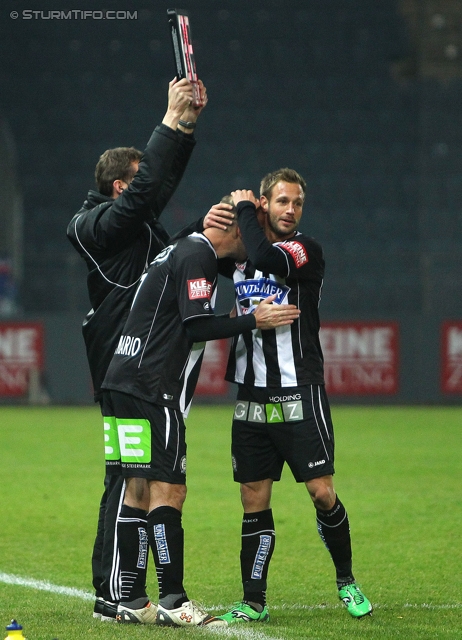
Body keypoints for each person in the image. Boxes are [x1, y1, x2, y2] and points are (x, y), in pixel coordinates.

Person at [66, 77, 230, 621]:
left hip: (138, 374)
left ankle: (119, 592)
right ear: (118, 186)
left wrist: (186, 128)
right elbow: (146, 195)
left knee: (130, 478)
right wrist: (169, 119)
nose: (149, 192)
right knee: (125, 478)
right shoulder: (93, 228)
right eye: (137, 184)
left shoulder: (139, 232)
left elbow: (153, 194)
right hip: (126, 374)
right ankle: (112, 594)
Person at [100, 212, 301, 626]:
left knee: (136, 487)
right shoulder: (199, 255)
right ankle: (173, 600)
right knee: (170, 491)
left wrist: (229, 319)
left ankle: (132, 601)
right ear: (232, 228)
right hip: (154, 387)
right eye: (251, 232)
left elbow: (183, 316)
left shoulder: (178, 249)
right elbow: (193, 326)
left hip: (122, 379)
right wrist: (251, 320)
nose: (254, 244)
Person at [210, 169, 373, 624]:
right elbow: (202, 245)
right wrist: (220, 214)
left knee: (322, 493)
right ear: (267, 204)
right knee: (252, 496)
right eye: (281, 201)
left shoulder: (303, 250)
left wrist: (245, 210)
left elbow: (267, 259)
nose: (290, 210)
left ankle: (346, 580)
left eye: (296, 203)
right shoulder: (240, 255)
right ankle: (254, 600)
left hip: (299, 390)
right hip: (251, 396)